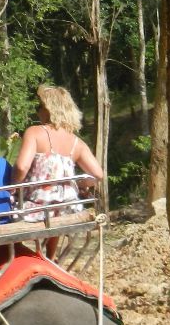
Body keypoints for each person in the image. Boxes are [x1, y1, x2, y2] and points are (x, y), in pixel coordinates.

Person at [12, 85, 105, 222]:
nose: (37, 112)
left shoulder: (34, 132)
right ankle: (49, 244)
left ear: (49, 109)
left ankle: (20, 244)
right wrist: (76, 184)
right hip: (68, 209)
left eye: (40, 107)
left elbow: (21, 167)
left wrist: (12, 187)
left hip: (37, 208)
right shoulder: (77, 142)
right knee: (56, 212)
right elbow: (98, 175)